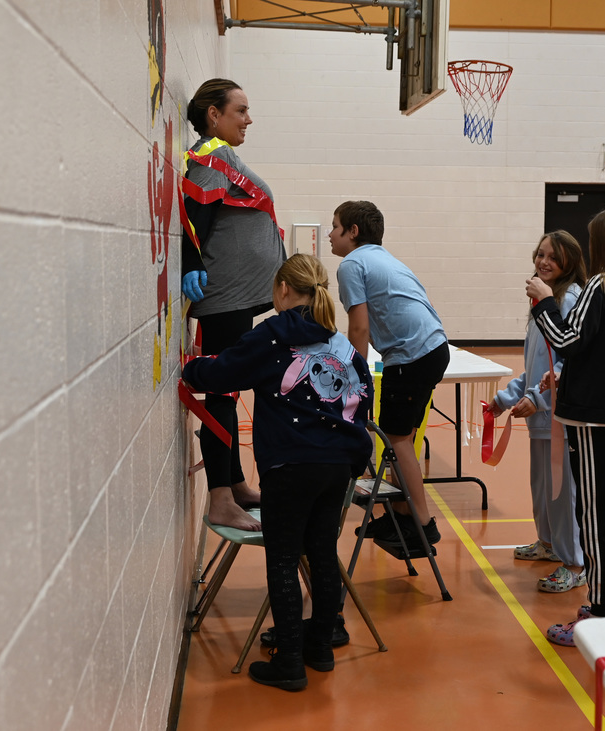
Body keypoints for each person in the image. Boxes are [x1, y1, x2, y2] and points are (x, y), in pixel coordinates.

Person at [182, 254, 373, 691]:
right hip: (338, 466)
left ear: (283, 290)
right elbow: (363, 400)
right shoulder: (341, 343)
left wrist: (191, 367)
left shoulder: (274, 334)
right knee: (322, 554)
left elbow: (222, 373)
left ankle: (288, 662)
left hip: (291, 466)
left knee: (283, 559)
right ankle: (319, 648)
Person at [524, 205, 605, 645]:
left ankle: (598, 612)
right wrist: (573, 376)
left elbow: (566, 339)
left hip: (590, 418)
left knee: (595, 517)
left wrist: (544, 301)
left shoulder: (601, 285)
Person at [181, 78, 287, 530]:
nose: (248, 119)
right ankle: (221, 498)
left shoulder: (223, 156)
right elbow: (195, 213)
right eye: (240, 110)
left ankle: (237, 484)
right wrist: (191, 263)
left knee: (228, 391)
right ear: (214, 114)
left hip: (236, 296)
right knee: (221, 395)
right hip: (224, 297)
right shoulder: (211, 155)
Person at [330, 200, 450, 550]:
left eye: (335, 227)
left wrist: (354, 381)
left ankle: (422, 526)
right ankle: (400, 515)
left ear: (353, 231)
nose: (329, 234)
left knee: (397, 440)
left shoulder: (352, 264)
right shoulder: (384, 258)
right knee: (401, 437)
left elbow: (359, 328)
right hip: (431, 349)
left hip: (413, 356)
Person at [490, 231, 587, 593]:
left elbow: (567, 364)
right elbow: (536, 368)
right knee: (543, 489)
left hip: (559, 419)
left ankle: (575, 563)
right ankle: (548, 544)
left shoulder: (569, 299)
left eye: (553, 257)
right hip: (539, 420)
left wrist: (540, 399)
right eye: (540, 254)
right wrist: (505, 398)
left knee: (562, 494)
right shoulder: (541, 303)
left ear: (569, 263)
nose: (544, 262)